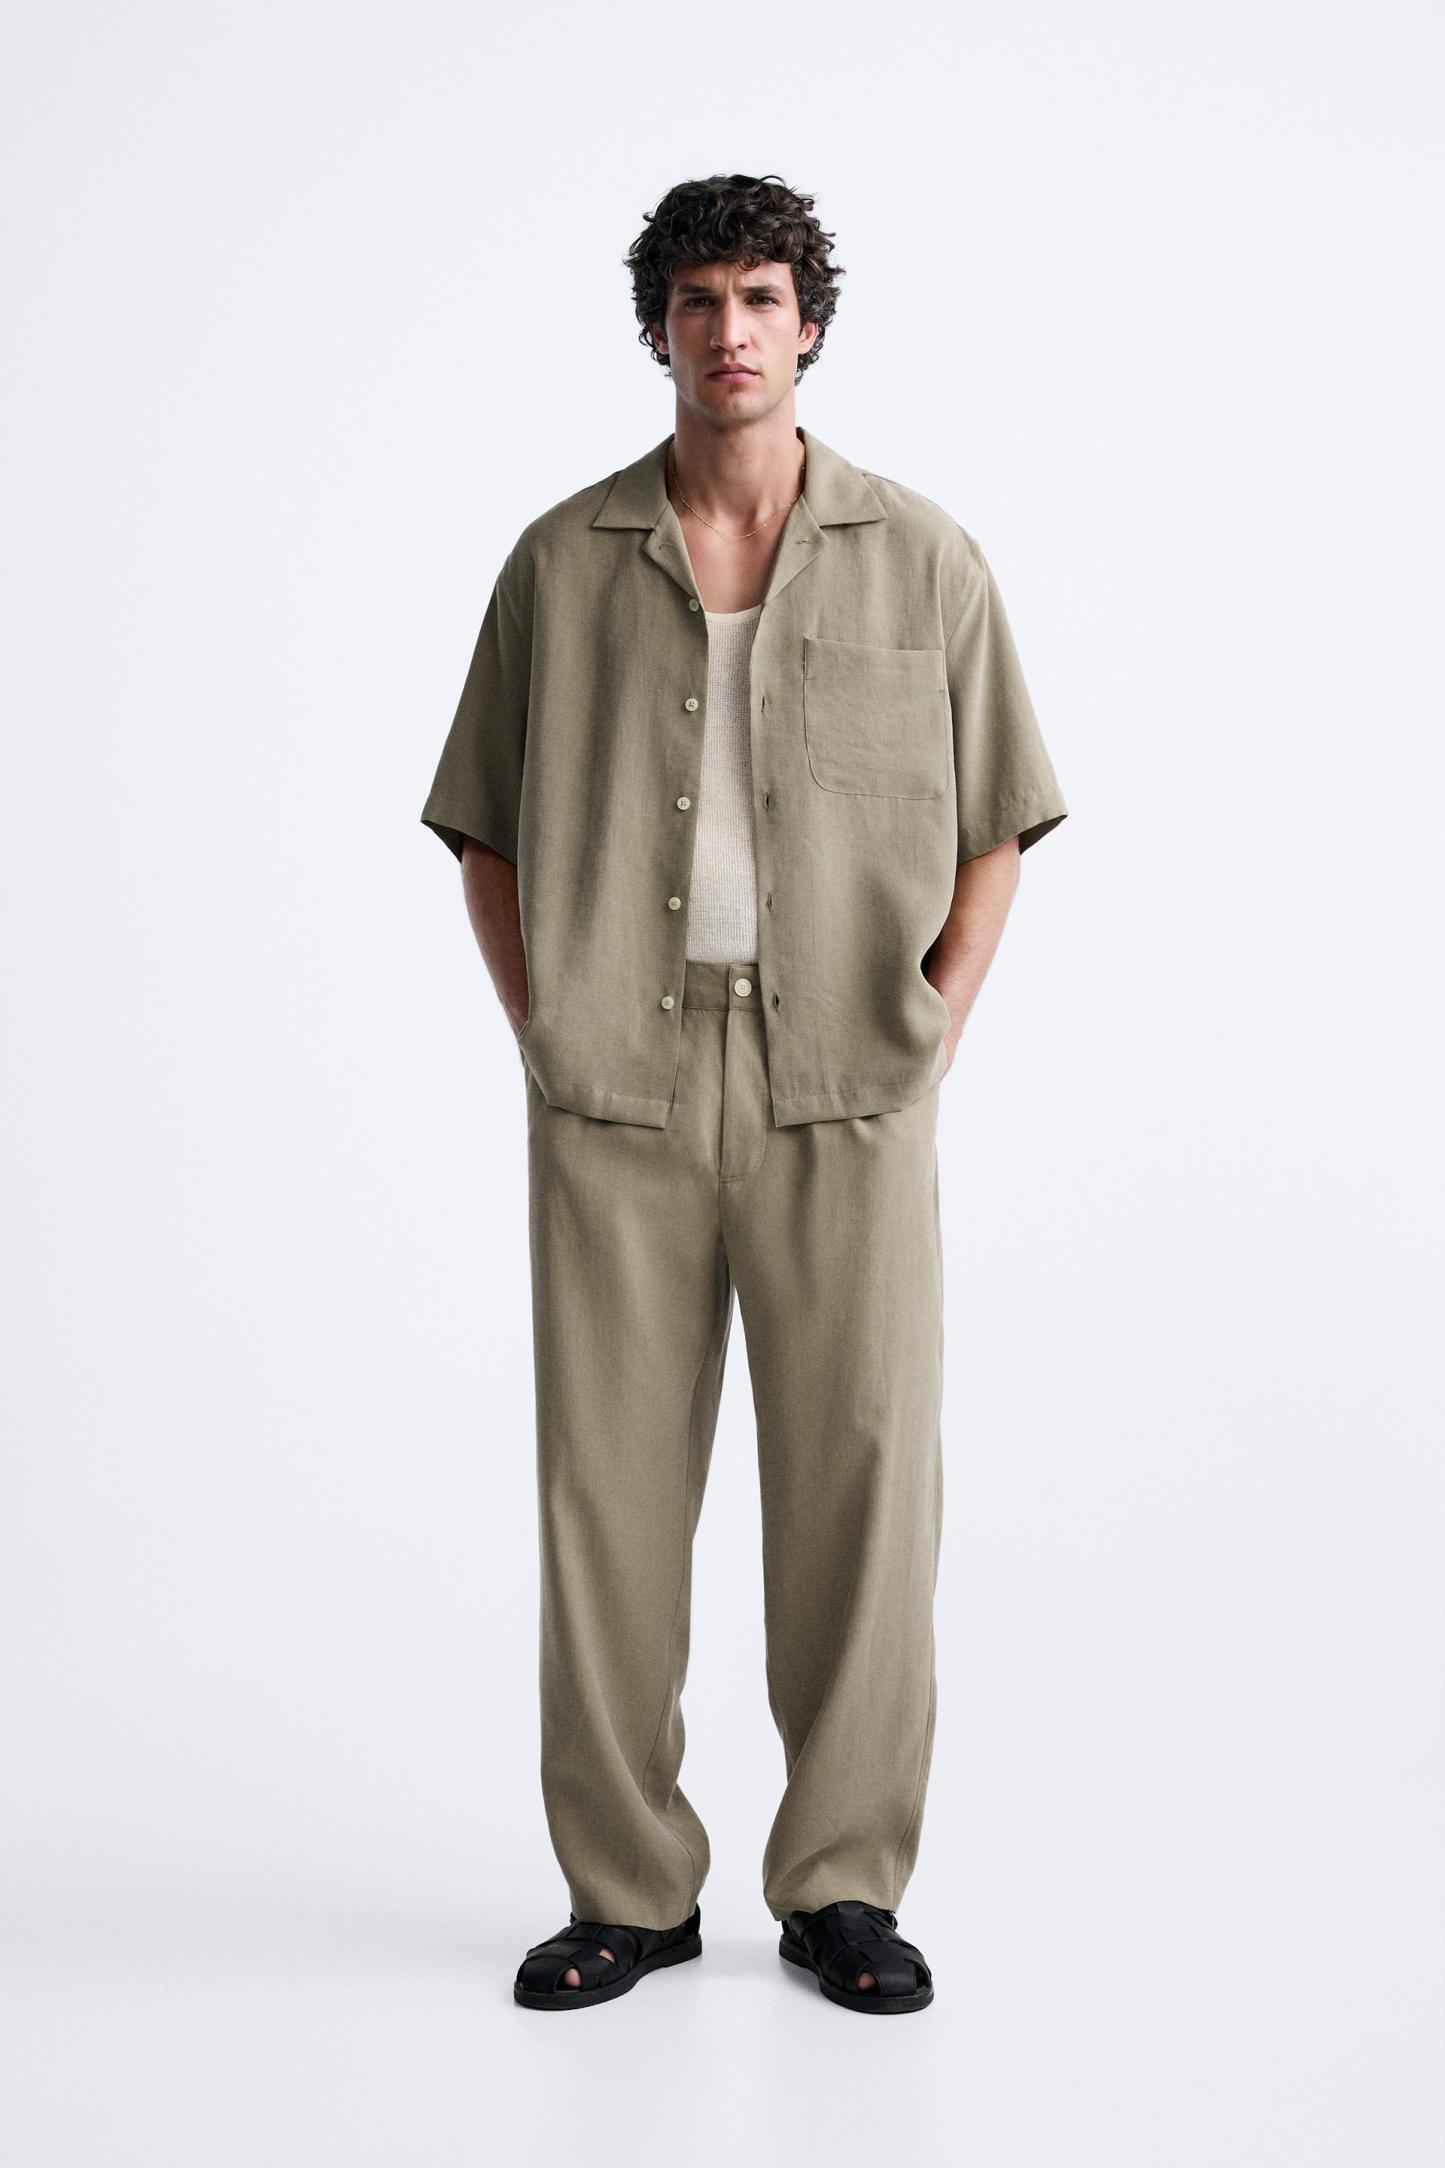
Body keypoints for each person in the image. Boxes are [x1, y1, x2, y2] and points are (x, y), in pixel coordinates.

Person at [420, 172, 1068, 2016]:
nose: (730, 330)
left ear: (810, 325)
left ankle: (842, 1884)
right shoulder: (561, 562)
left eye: (761, 297)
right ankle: (625, 1890)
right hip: (615, 1085)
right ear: (658, 330)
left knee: (862, 1487)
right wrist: (548, 1027)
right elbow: (482, 826)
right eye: (697, 300)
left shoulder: (921, 557)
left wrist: (933, 1015)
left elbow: (999, 815)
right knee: (605, 1498)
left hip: (846, 1083)